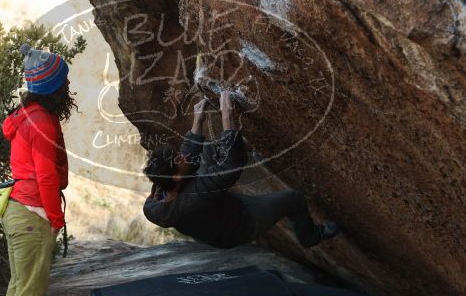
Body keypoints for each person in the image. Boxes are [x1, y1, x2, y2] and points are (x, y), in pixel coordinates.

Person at [143, 90, 338, 249]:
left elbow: (189, 158)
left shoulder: (161, 192)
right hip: (242, 224)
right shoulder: (193, 197)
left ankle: (230, 147)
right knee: (294, 199)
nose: (182, 155)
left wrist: (198, 120)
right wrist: (228, 116)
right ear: (176, 177)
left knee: (209, 149)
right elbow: (231, 167)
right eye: (178, 158)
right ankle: (310, 237)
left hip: (217, 211)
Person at [0, 43, 74, 296]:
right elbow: (45, 175)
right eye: (64, 81)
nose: (68, 86)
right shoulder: (41, 121)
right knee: (30, 289)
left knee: (19, 285)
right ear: (55, 88)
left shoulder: (24, 115)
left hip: (18, 210)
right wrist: (56, 218)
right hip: (33, 214)